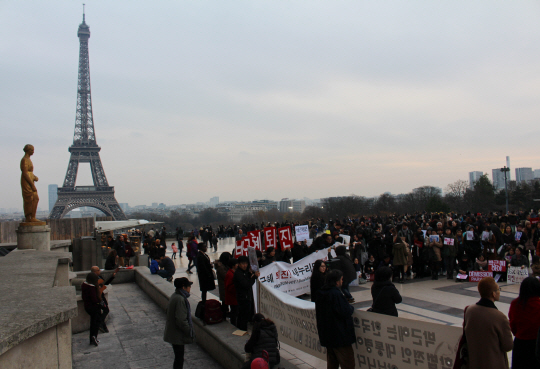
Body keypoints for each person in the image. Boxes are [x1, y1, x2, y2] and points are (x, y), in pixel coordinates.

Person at [463, 277, 513, 369]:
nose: (499, 292)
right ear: (493, 294)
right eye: (498, 289)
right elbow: (508, 345)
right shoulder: (499, 317)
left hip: (475, 362)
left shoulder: (469, 310)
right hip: (494, 363)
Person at [315, 269, 355, 369]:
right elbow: (345, 311)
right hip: (340, 335)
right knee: (348, 363)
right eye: (341, 279)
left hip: (327, 335)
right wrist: (350, 307)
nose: (342, 281)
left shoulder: (321, 293)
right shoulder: (335, 294)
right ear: (337, 282)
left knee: (332, 363)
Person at [508, 276, 540, 369]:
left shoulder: (515, 304)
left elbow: (512, 325)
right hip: (536, 345)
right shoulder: (538, 305)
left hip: (520, 344)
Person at [164, 277, 195, 369]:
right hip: (177, 335)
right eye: (189, 286)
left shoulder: (175, 296)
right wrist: (189, 331)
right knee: (179, 359)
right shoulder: (180, 299)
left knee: (178, 357)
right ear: (183, 287)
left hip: (173, 333)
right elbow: (181, 320)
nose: (190, 288)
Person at [234, 256, 260, 331]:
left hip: (246, 296)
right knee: (244, 316)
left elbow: (247, 279)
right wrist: (254, 277)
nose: (245, 265)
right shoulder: (238, 273)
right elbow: (246, 284)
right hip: (243, 298)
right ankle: (242, 330)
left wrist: (249, 273)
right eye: (243, 264)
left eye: (246, 263)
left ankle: (240, 329)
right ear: (239, 264)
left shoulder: (243, 272)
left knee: (243, 315)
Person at [90, 266, 119, 333]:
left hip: (101, 296)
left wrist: (112, 276)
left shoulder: (99, 277)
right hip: (99, 297)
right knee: (106, 309)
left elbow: (105, 284)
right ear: (94, 272)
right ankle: (100, 323)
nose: (99, 271)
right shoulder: (93, 279)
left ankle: (102, 325)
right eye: (98, 270)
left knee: (104, 310)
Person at [81, 272, 102, 346]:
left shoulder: (84, 285)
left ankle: (92, 339)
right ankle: (94, 336)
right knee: (96, 321)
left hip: (87, 306)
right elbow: (94, 299)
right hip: (93, 307)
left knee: (93, 322)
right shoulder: (91, 287)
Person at [20, 144, 40, 223]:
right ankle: (29, 217)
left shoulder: (28, 160)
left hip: (30, 180)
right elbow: (25, 173)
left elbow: (29, 173)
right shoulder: (24, 160)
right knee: (29, 199)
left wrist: (34, 177)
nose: (33, 152)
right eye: (32, 150)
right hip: (27, 182)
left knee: (35, 198)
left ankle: (33, 217)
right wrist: (32, 184)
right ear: (28, 150)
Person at [225, 258, 239, 327]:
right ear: (233, 265)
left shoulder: (234, 273)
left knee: (235, 311)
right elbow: (229, 287)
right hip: (232, 297)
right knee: (234, 312)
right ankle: (233, 325)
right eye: (237, 264)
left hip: (234, 296)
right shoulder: (230, 274)